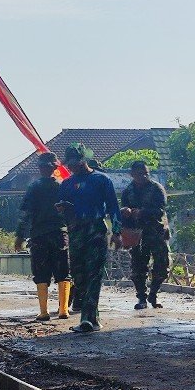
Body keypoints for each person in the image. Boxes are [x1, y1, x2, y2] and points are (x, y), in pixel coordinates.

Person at [57, 143, 122, 333]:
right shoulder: (67, 184)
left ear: (83, 159)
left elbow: (113, 207)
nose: (73, 166)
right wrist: (63, 211)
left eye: (76, 162)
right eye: (69, 164)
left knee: (94, 273)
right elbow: (61, 211)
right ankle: (93, 318)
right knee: (79, 275)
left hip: (96, 230)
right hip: (76, 231)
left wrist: (117, 232)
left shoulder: (101, 180)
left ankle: (86, 318)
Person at [15, 152, 71, 321]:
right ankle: (63, 310)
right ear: (55, 167)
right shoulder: (63, 186)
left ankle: (44, 311)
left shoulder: (34, 187)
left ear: (40, 168)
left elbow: (26, 214)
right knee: (63, 271)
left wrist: (20, 235)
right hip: (60, 234)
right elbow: (70, 210)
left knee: (41, 272)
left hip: (39, 235)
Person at [120, 160, 171, 310]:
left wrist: (142, 212)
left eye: (145, 173)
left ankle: (154, 293)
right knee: (138, 266)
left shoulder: (156, 188)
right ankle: (141, 297)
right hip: (137, 234)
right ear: (132, 175)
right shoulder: (128, 191)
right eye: (139, 174)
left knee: (162, 264)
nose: (143, 176)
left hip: (156, 231)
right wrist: (126, 212)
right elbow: (122, 211)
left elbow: (161, 209)